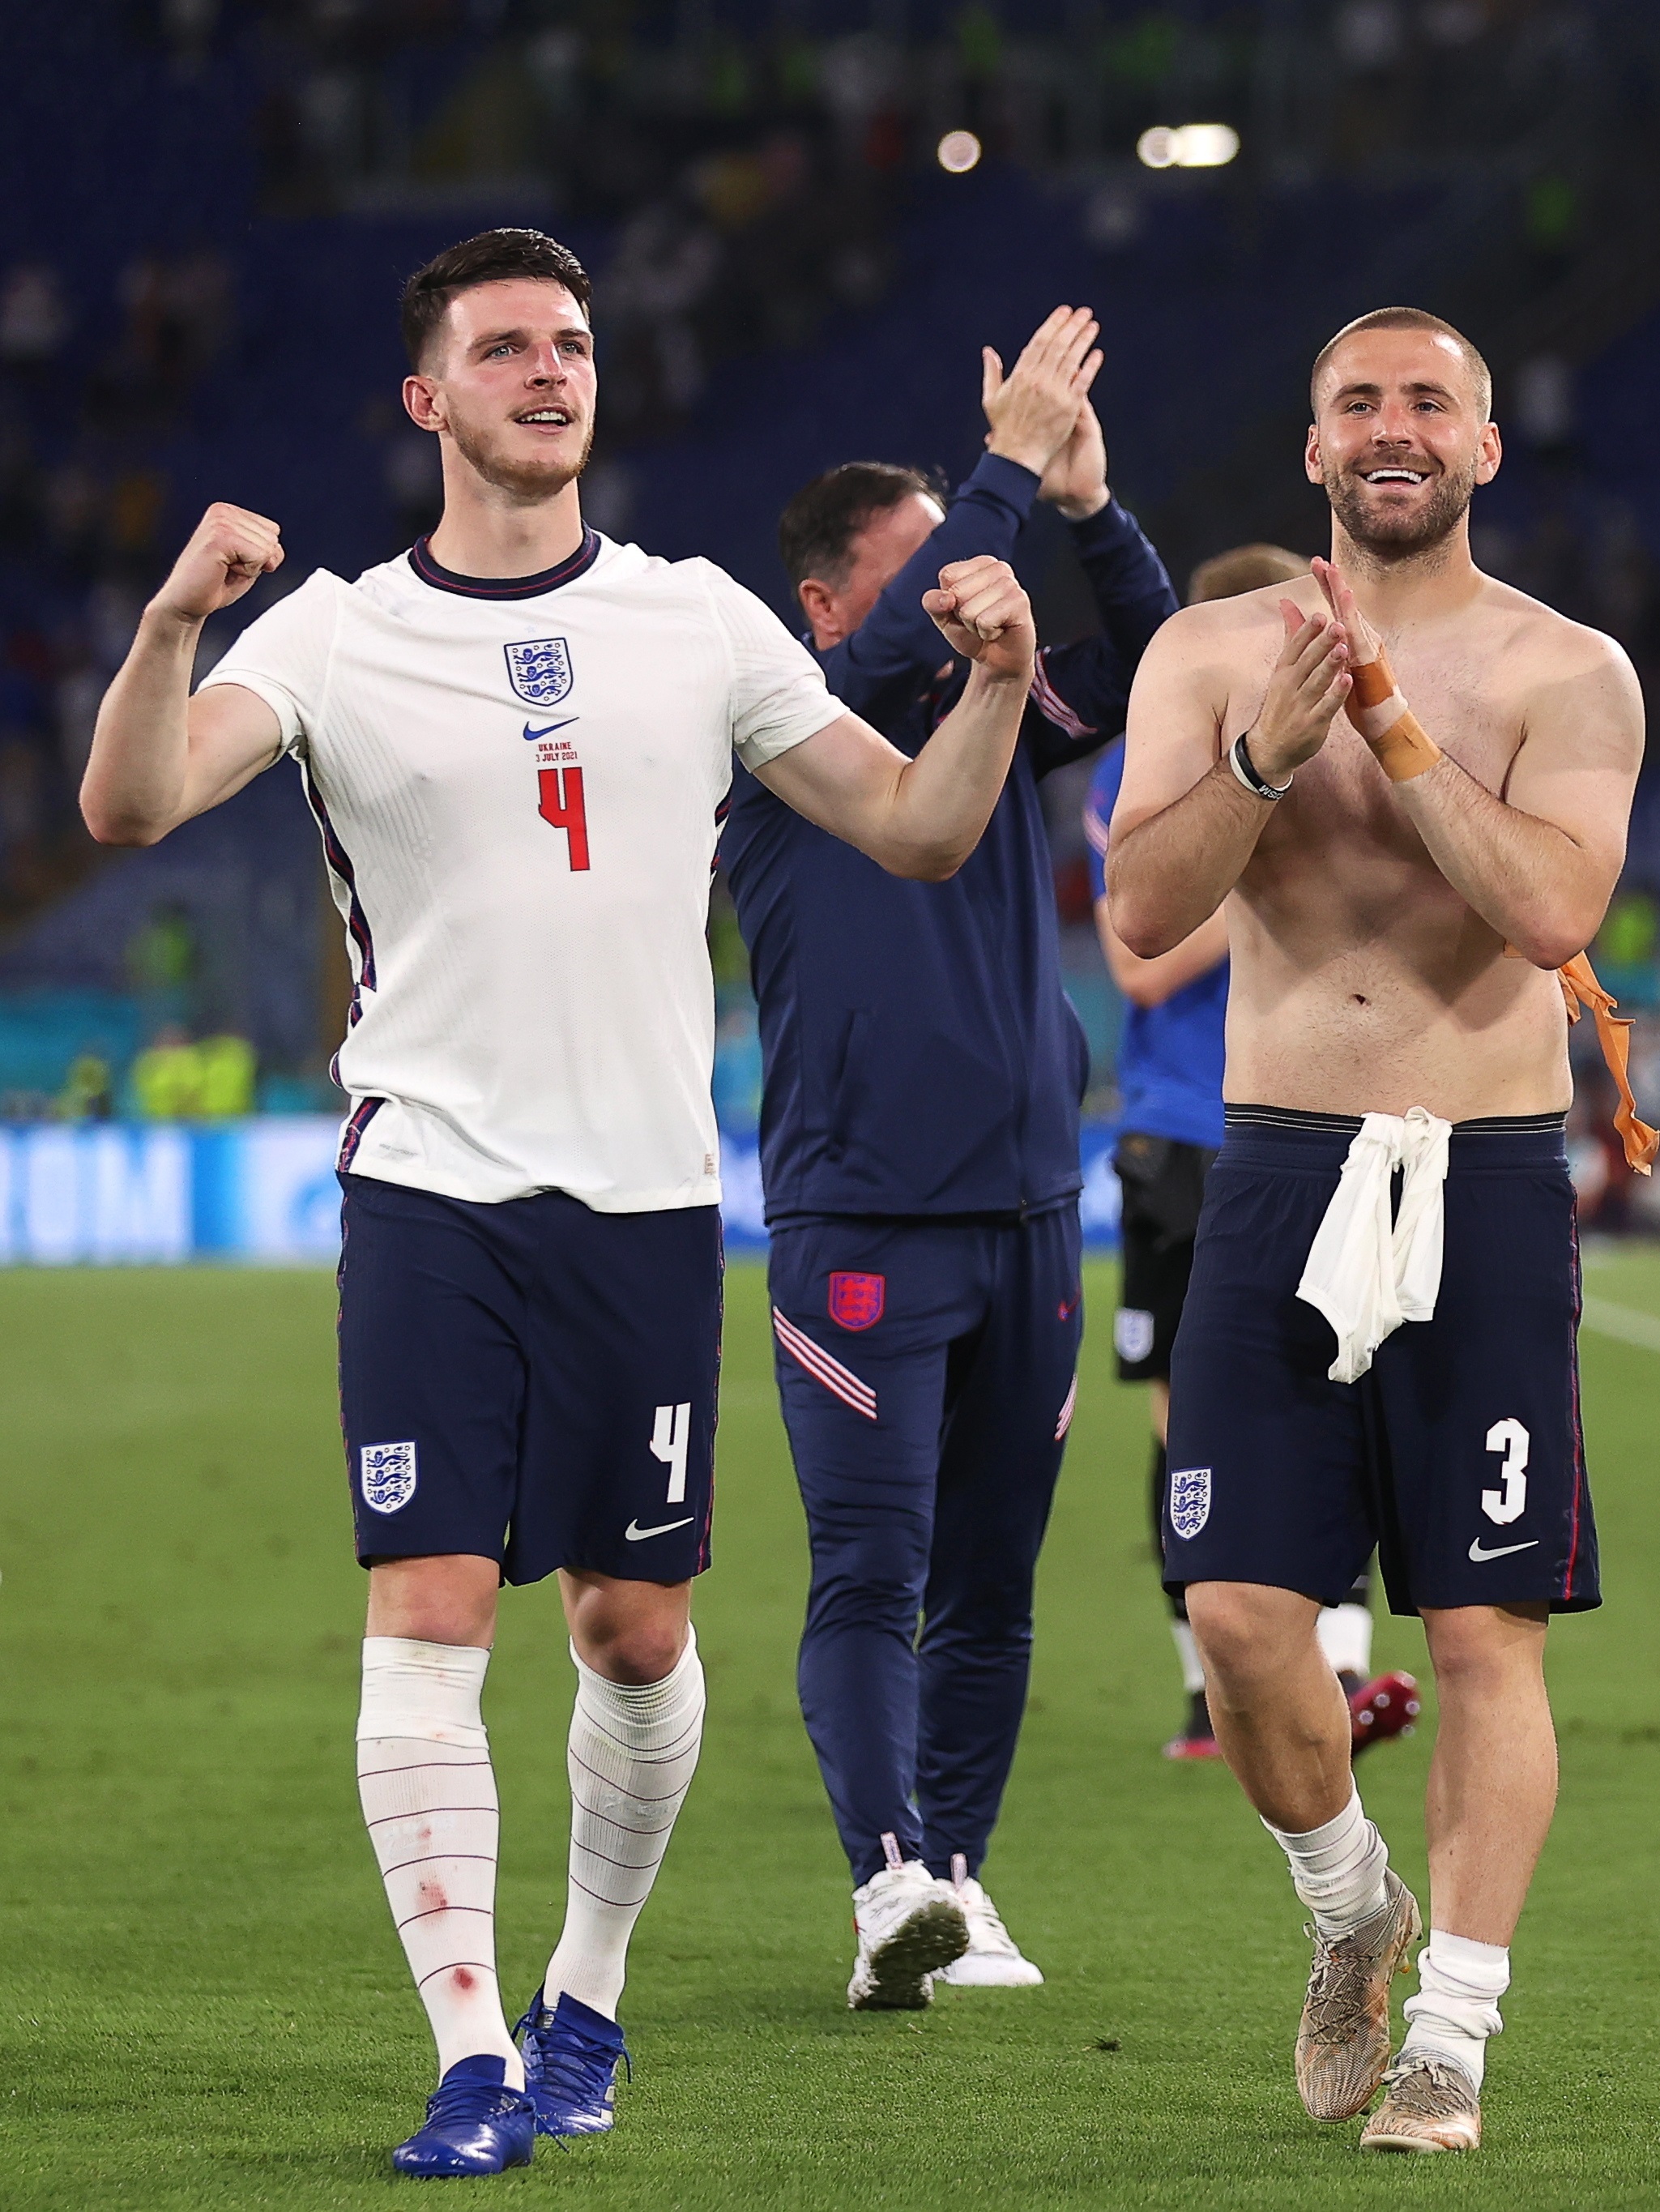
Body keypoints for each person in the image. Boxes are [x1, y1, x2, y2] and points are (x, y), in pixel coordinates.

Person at [78, 228, 1033, 2176]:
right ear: (427, 399)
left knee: (630, 1633)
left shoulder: (701, 624)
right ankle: (470, 2053)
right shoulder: (333, 630)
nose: (547, 369)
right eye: (502, 347)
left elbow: (922, 828)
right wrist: (176, 616)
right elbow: (132, 808)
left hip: (644, 1200)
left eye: (572, 345)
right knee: (425, 1616)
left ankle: (585, 1997)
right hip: (430, 1185)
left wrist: (1004, 681)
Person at [1102, 305, 1644, 2155]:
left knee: (1485, 1633)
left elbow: (1550, 913)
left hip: (1474, 1170)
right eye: (1357, 401)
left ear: (1485, 445)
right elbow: (1141, 912)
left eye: (1428, 401)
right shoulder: (1202, 652)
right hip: (1272, 1163)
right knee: (1244, 1613)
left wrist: (1397, 737)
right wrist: (1259, 756)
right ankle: (1352, 1913)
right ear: (1312, 447)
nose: (1391, 426)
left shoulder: (1565, 672)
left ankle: (1455, 2043)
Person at [719, 308, 1174, 2006]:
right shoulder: (783, 734)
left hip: (1033, 1212)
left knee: (991, 1586)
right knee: (872, 1571)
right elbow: (928, 629)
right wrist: (992, 480)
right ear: (829, 609)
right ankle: (879, 1877)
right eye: (922, 573)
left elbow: (1153, 666)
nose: (971, 597)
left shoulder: (993, 712)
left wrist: (1085, 499)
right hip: (859, 1222)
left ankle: (958, 1889)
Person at [1082, 540, 1420, 1765]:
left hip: (1325, 1118)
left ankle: (1337, 1671)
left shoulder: (1379, 732)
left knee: (1351, 1390)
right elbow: (1139, 953)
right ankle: (1204, 1692)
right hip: (1185, 1131)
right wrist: (1272, 856)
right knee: (1192, 1423)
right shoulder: (1150, 758)